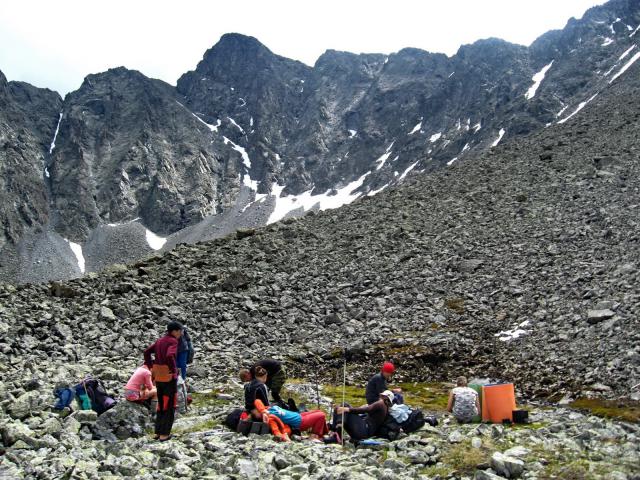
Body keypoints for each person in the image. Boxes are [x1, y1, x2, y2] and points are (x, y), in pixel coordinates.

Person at [144, 321, 182, 441]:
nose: (181, 333)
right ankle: (165, 434)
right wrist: (173, 370)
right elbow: (170, 355)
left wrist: (151, 366)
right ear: (174, 331)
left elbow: (147, 352)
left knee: (161, 404)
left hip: (158, 377)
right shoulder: (173, 341)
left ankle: (158, 432)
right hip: (168, 377)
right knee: (170, 404)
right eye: (180, 331)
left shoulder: (160, 340)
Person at [253, 399, 330, 441]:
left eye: (256, 409)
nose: (256, 410)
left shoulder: (266, 409)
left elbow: (257, 401)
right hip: (300, 422)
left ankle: (325, 433)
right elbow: (276, 430)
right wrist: (283, 437)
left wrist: (263, 412)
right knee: (321, 415)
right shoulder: (269, 418)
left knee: (319, 412)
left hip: (299, 415)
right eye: (256, 412)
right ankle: (315, 435)